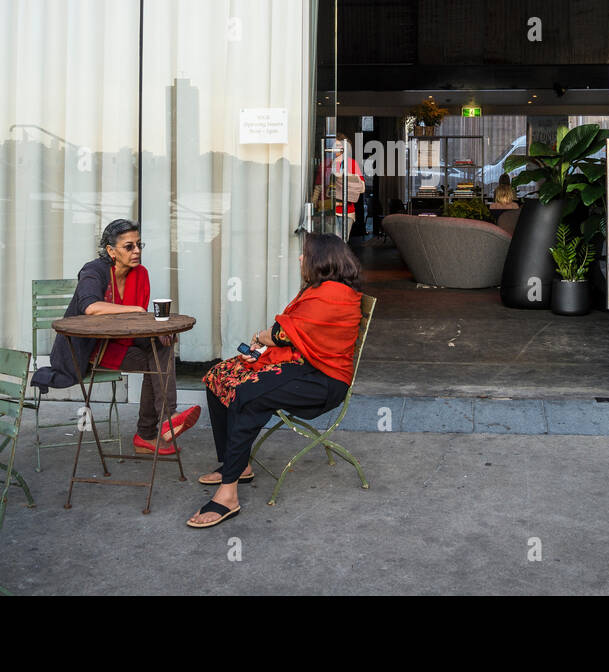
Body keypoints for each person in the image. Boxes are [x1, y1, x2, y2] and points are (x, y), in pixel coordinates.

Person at [187, 233, 364, 528]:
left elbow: (282, 334)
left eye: (305, 254)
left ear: (321, 260)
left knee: (249, 395)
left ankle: (227, 495)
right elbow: (293, 336)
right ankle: (237, 465)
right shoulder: (320, 289)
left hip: (324, 381)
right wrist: (263, 349)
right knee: (220, 375)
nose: (299, 259)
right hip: (303, 367)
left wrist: (259, 339)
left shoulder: (333, 294)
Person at [30, 218, 199, 456]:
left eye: (140, 244)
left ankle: (156, 427)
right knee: (158, 362)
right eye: (129, 246)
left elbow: (134, 326)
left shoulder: (141, 274)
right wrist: (137, 310)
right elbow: (90, 307)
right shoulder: (93, 271)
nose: (137, 251)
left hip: (122, 342)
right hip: (91, 349)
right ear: (111, 251)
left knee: (162, 349)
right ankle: (152, 430)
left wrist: (157, 333)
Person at [312, 133, 364, 242]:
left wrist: (346, 179)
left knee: (343, 243)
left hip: (347, 210)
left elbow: (362, 188)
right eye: (334, 146)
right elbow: (318, 187)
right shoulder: (325, 164)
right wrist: (312, 205)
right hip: (329, 209)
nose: (336, 150)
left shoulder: (352, 164)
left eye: (339, 147)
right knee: (332, 243)